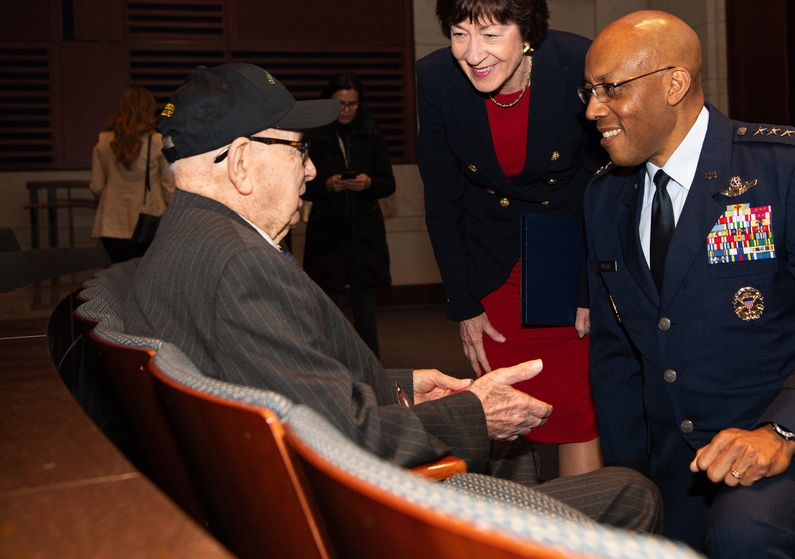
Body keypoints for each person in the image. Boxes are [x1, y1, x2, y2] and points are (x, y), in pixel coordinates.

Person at [124, 62, 663, 532]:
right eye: (297, 150)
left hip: (285, 486)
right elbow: (341, 440)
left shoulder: (187, 243)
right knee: (629, 493)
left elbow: (291, 388)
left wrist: (403, 386)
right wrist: (472, 411)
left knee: (513, 455)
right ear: (241, 162)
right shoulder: (242, 268)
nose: (311, 170)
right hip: (356, 513)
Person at [581, 11, 795, 557]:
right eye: (589, 91)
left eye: (610, 89)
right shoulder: (605, 197)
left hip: (792, 449)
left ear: (674, 83)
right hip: (674, 463)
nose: (593, 110)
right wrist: (629, 478)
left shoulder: (787, 167)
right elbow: (617, 356)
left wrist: (782, 433)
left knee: (743, 534)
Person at [417, 0, 607, 477]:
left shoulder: (577, 65)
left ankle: (583, 537)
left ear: (528, 30)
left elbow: (601, 185)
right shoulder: (435, 80)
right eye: (458, 33)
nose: (472, 53)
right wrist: (463, 303)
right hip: (490, 256)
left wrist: (587, 286)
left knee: (573, 410)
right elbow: (443, 198)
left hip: (562, 251)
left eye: (490, 34)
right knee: (499, 410)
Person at [303, 71, 395, 358]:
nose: (346, 110)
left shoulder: (371, 132)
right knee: (329, 306)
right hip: (327, 230)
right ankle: (332, 369)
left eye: (352, 104)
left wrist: (368, 183)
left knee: (365, 307)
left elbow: (388, 183)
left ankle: (372, 370)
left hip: (363, 230)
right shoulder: (314, 135)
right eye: (340, 104)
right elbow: (303, 187)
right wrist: (328, 184)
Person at [90, 86, 174, 263]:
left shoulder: (103, 141)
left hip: (111, 224)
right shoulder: (158, 142)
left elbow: (96, 187)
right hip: (149, 224)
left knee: (119, 277)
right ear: (149, 109)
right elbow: (169, 188)